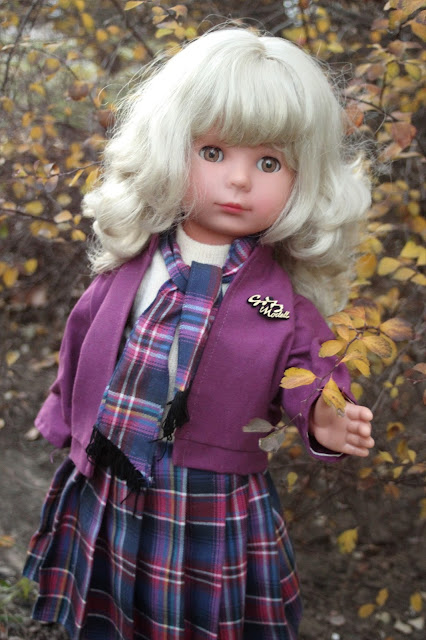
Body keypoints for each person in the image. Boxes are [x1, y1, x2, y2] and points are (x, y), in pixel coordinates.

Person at [23, 27, 374, 640]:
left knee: (194, 615)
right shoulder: (134, 266)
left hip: (207, 496)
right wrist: (64, 418)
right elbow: (83, 343)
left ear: (305, 180)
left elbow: (309, 361)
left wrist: (324, 411)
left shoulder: (275, 300)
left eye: (269, 163)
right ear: (169, 147)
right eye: (213, 152)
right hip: (110, 468)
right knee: (109, 600)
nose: (239, 180)